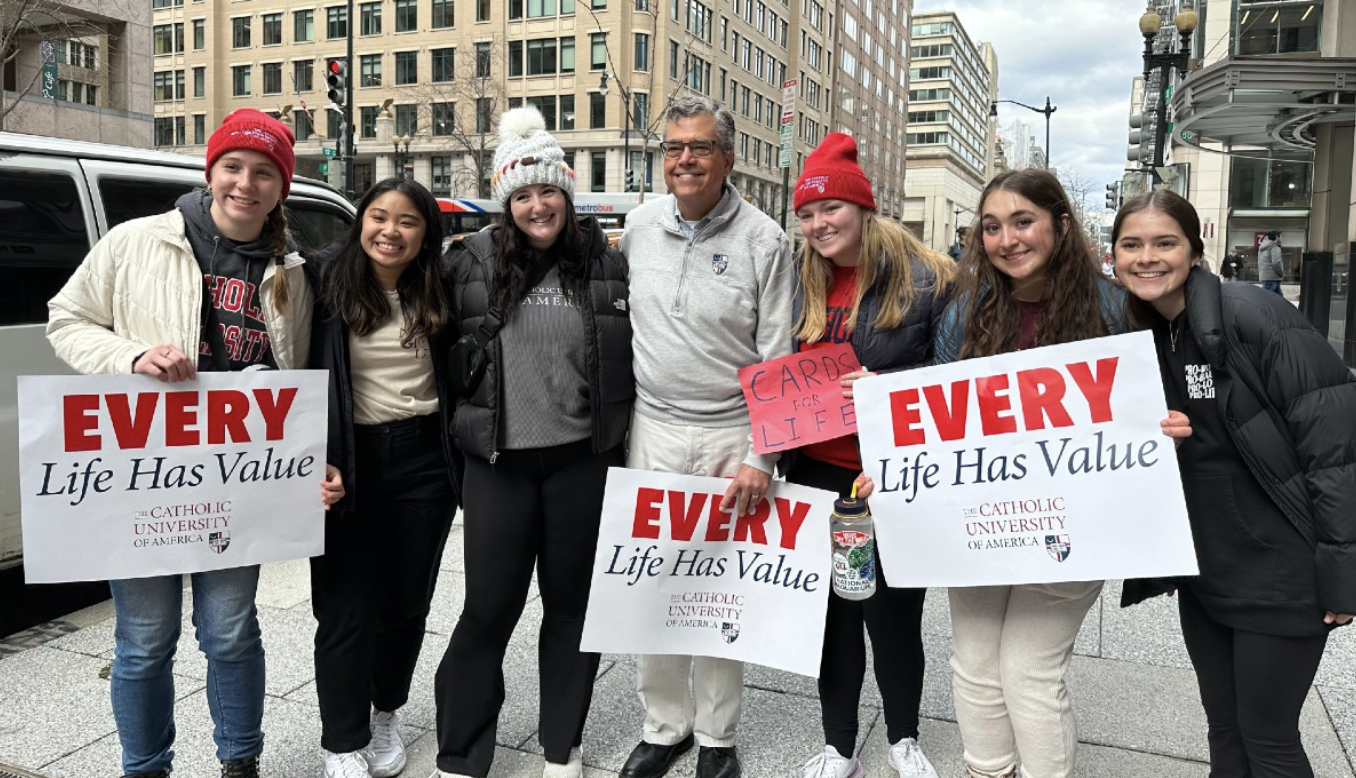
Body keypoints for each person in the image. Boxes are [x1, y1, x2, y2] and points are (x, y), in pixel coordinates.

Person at [46, 109, 345, 778]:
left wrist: (305, 464)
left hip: (237, 487)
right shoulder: (138, 242)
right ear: (210, 172)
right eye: (234, 167)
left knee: (232, 631)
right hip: (144, 478)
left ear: (281, 188)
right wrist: (131, 356)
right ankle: (145, 766)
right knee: (145, 641)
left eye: (265, 173)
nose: (247, 183)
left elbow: (301, 383)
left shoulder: (291, 270)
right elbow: (66, 321)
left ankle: (240, 761)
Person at [1113, 190, 1356, 778]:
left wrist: (1343, 575)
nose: (1147, 257)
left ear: (1196, 251)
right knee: (1223, 730)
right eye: (1131, 244)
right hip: (1209, 570)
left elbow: (1337, 448)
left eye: (1165, 242)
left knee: (1269, 740)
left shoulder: (1252, 312)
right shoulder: (1148, 331)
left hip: (1282, 573)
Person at [430, 106, 634, 778]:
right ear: (505, 199)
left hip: (581, 459)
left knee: (573, 611)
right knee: (487, 609)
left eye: (548, 190)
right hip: (499, 463)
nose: (537, 205)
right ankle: (461, 753)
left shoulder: (605, 264)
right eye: (522, 193)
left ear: (567, 194)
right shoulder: (468, 263)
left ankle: (561, 749)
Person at [617, 95, 795, 778]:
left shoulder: (765, 241)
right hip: (655, 430)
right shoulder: (638, 228)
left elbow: (776, 359)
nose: (684, 159)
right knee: (653, 585)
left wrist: (761, 455)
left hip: (730, 436)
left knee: (721, 590)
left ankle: (718, 737)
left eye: (698, 147)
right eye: (673, 148)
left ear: (728, 157)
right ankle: (664, 726)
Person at [932, 169, 1125, 778]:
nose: (1006, 239)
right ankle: (987, 770)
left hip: (1073, 524)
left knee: (1028, 670)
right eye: (991, 226)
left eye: (1022, 221)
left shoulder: (1114, 308)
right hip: (982, 519)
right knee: (975, 663)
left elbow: (1147, 406)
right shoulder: (966, 312)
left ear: (1060, 225)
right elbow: (938, 414)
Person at [788, 134, 951, 778]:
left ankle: (904, 736)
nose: (819, 224)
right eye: (807, 213)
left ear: (863, 209)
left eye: (832, 210)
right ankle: (837, 744)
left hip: (890, 474)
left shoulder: (927, 279)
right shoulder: (796, 280)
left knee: (893, 614)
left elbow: (955, 375)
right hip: (816, 473)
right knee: (831, 616)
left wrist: (891, 392)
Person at [308, 177, 460, 778]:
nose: (389, 231)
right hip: (349, 457)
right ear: (360, 220)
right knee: (346, 607)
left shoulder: (442, 288)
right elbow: (290, 367)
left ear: (426, 235)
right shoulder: (322, 281)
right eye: (378, 216)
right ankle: (341, 742)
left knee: (405, 604)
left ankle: (385, 712)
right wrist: (309, 456)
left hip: (425, 459)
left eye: (407, 222)